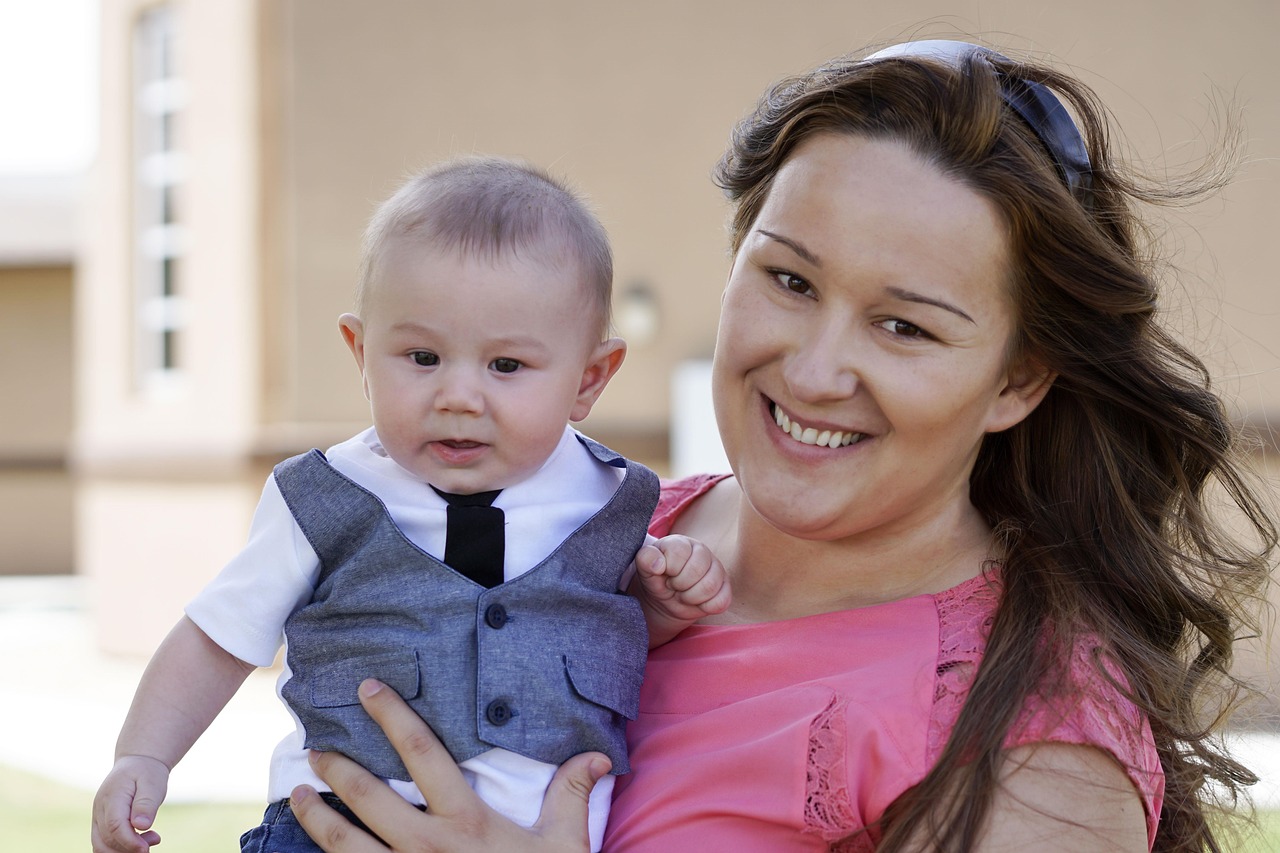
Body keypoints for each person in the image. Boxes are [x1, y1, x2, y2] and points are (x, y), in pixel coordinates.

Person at [282, 39, 1277, 852]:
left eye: (905, 326)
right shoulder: (611, 527)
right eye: (790, 281)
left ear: (1017, 379)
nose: (812, 370)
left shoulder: (1036, 747)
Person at [90, 156, 731, 853]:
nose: (458, 396)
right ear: (361, 353)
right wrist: (143, 755)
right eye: (422, 358)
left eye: (506, 365)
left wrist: (659, 608)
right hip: (333, 826)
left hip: (538, 832)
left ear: (589, 379)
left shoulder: (613, 501)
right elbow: (218, 635)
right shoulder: (325, 496)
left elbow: (601, 636)